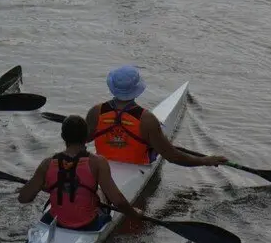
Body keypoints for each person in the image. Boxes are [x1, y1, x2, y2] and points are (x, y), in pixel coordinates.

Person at [85, 65, 228, 168]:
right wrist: (205, 160)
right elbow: (172, 156)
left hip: (102, 164)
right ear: (138, 89)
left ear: (112, 87)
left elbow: (83, 140)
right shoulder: (147, 119)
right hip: (138, 165)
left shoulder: (96, 112)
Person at [17, 115, 144, 230]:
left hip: (56, 222)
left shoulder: (47, 164)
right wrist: (134, 214)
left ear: (63, 137)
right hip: (89, 224)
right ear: (86, 137)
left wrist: (40, 184)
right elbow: (118, 201)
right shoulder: (98, 163)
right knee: (100, 192)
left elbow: (23, 198)